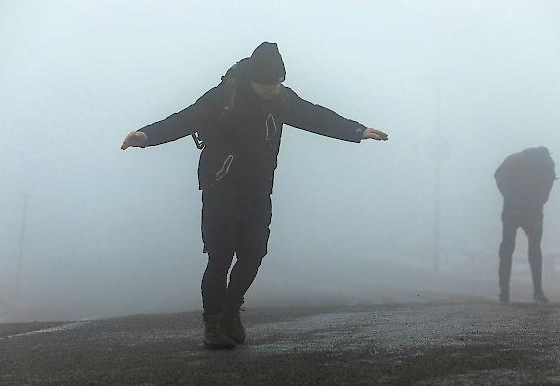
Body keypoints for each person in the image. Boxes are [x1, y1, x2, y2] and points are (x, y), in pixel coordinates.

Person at [121, 42, 388, 349]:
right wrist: (146, 136)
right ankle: (214, 324)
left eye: (278, 85)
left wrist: (358, 131)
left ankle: (232, 309)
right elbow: (186, 119)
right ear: (252, 80)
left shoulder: (280, 98)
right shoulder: (226, 95)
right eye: (267, 86)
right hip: (221, 185)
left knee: (253, 254)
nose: (273, 91)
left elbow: (316, 117)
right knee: (220, 257)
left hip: (259, 189)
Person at [494, 146, 556, 303]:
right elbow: (548, 186)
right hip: (530, 211)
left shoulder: (515, 160)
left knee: (507, 249)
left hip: (515, 210)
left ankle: (505, 292)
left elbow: (498, 176)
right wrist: (538, 201)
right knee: (534, 250)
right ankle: (537, 292)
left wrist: (511, 197)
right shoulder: (545, 164)